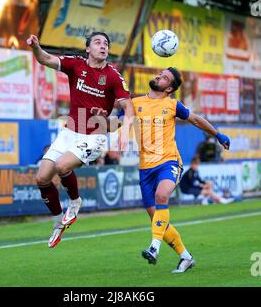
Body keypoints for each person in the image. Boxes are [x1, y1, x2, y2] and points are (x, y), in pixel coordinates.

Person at [91, 67, 231, 273]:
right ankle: (186, 257)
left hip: (169, 161)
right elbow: (116, 125)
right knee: (157, 219)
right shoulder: (135, 104)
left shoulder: (172, 105)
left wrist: (218, 135)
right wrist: (98, 121)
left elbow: (195, 119)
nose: (159, 76)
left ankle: (154, 248)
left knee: (161, 195)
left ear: (170, 88)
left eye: (165, 77)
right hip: (145, 168)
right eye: (160, 74)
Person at [27, 32, 134, 248]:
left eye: (106, 43)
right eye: (97, 42)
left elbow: (128, 107)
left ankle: (75, 202)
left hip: (94, 136)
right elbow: (45, 59)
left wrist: (124, 130)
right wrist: (36, 47)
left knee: (62, 166)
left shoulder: (113, 76)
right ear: (88, 49)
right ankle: (58, 222)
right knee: (41, 178)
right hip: (69, 133)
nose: (103, 46)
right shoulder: (76, 65)